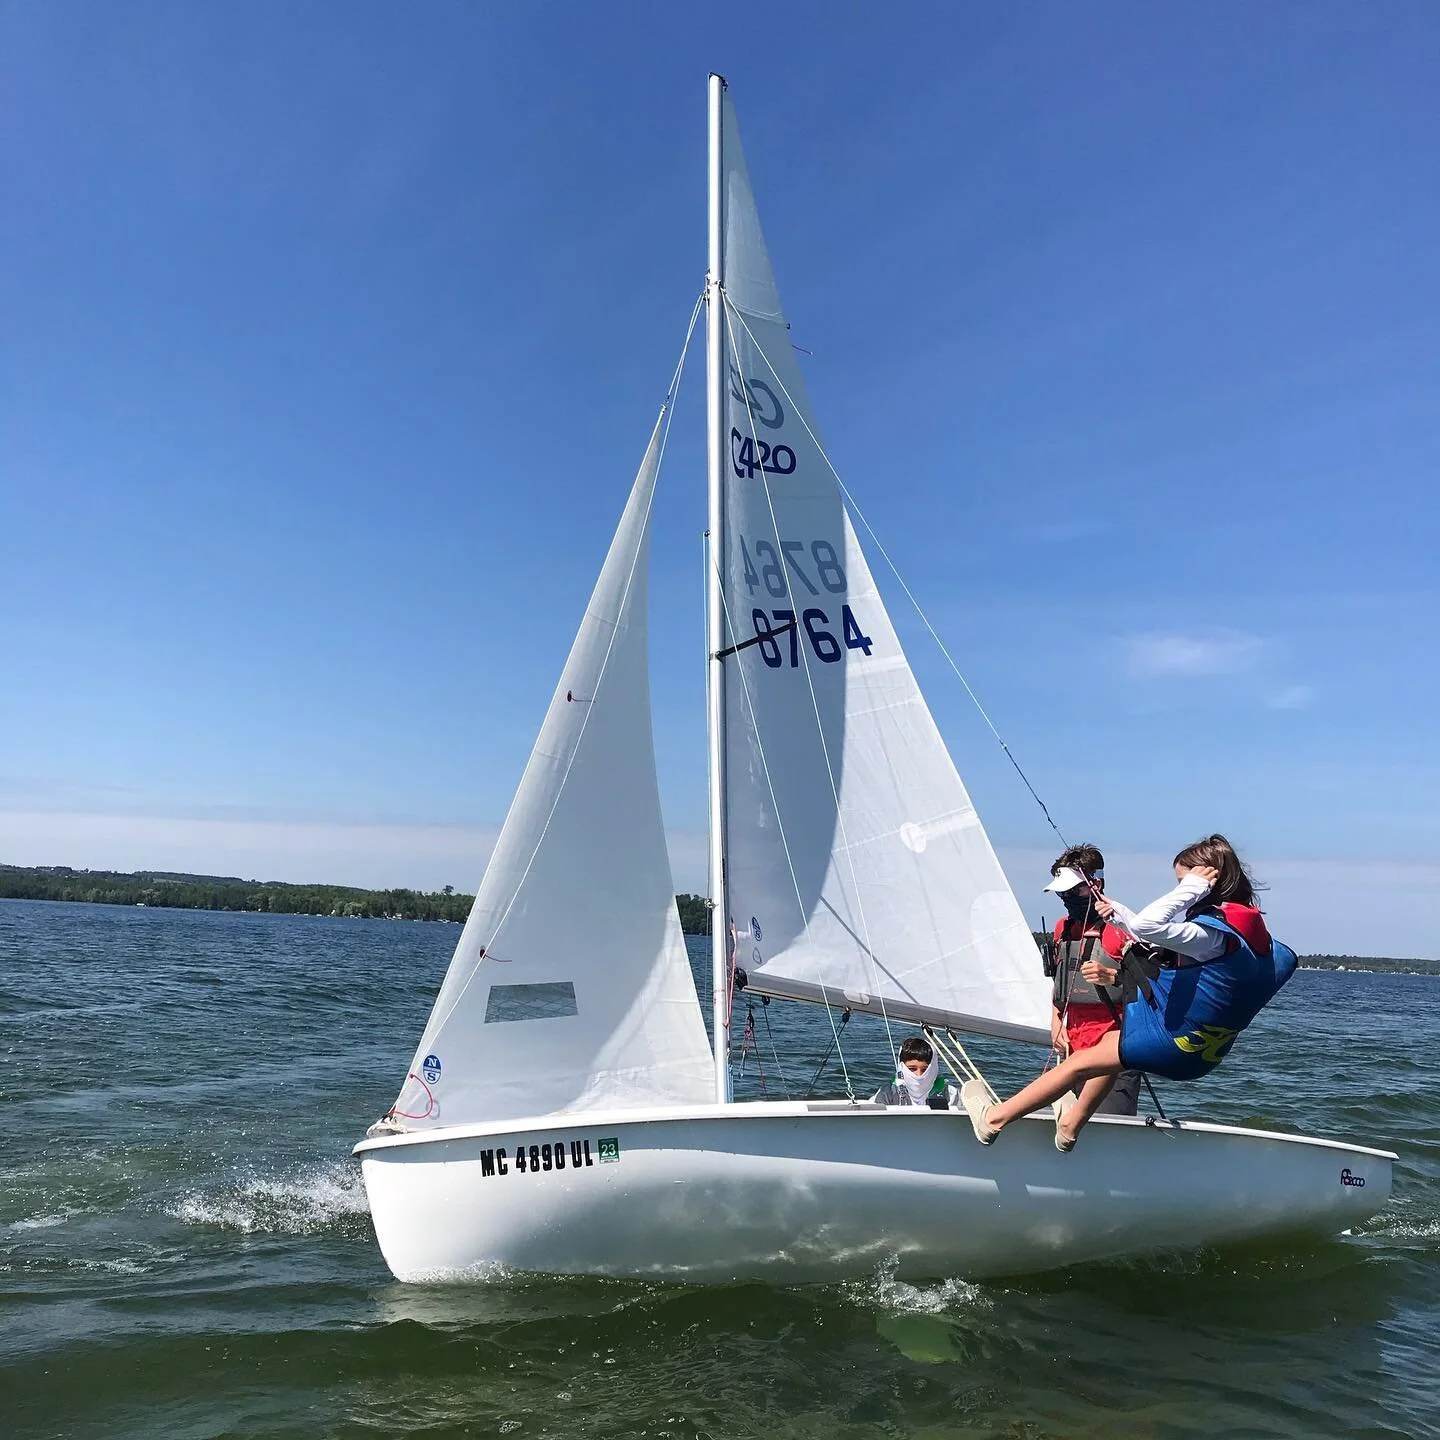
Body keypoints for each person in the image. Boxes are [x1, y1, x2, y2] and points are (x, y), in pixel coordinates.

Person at [962, 834, 1297, 1152]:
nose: (1180, 891)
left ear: (1206, 883)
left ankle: (993, 1120)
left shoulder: (1211, 936)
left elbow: (1148, 929)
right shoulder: (1242, 935)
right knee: (1100, 1058)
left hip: (1167, 1041)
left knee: (1079, 1065)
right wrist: (1122, 914)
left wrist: (1192, 887)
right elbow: (1152, 944)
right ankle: (1069, 1127)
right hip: (1198, 1052)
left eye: (1183, 883)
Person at [1042, 844, 1140, 1116]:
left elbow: (1155, 984)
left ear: (1097, 883)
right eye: (1063, 891)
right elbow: (1059, 981)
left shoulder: (1122, 927)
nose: (1068, 897)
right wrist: (1055, 1023)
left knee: (1108, 1130)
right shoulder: (1063, 927)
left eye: (1076, 890)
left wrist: (1112, 976)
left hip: (1112, 1053)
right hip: (1073, 1050)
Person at [873, 1035, 958, 1109]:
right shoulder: (888, 1092)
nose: (919, 1075)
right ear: (902, 1068)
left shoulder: (950, 1094)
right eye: (912, 1069)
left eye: (925, 1070)